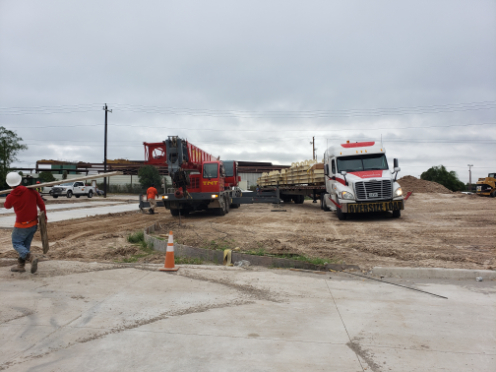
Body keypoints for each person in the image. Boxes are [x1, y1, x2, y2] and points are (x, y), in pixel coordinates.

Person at [4, 172, 46, 273]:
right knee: (25, 246)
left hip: (21, 225)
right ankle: (21, 266)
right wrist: (45, 218)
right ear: (21, 181)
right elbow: (41, 204)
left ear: (9, 184)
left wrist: (9, 196)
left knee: (17, 243)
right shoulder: (32, 191)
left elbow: (7, 206)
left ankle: (30, 257)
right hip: (33, 224)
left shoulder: (11, 196)